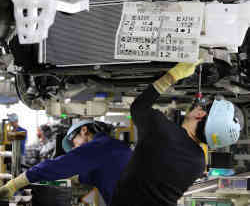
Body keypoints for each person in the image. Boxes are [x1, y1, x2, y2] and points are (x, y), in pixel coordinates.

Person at [110, 61, 242, 206]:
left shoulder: (164, 132)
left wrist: (172, 76)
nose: (198, 105)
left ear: (200, 114)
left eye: (205, 106)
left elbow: (139, 107)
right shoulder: (197, 162)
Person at [0, 119, 132, 205]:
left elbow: (58, 165)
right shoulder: (113, 146)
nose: (74, 148)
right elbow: (95, 176)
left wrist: (16, 183)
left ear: (84, 130)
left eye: (73, 143)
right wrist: (74, 177)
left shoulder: (98, 146)